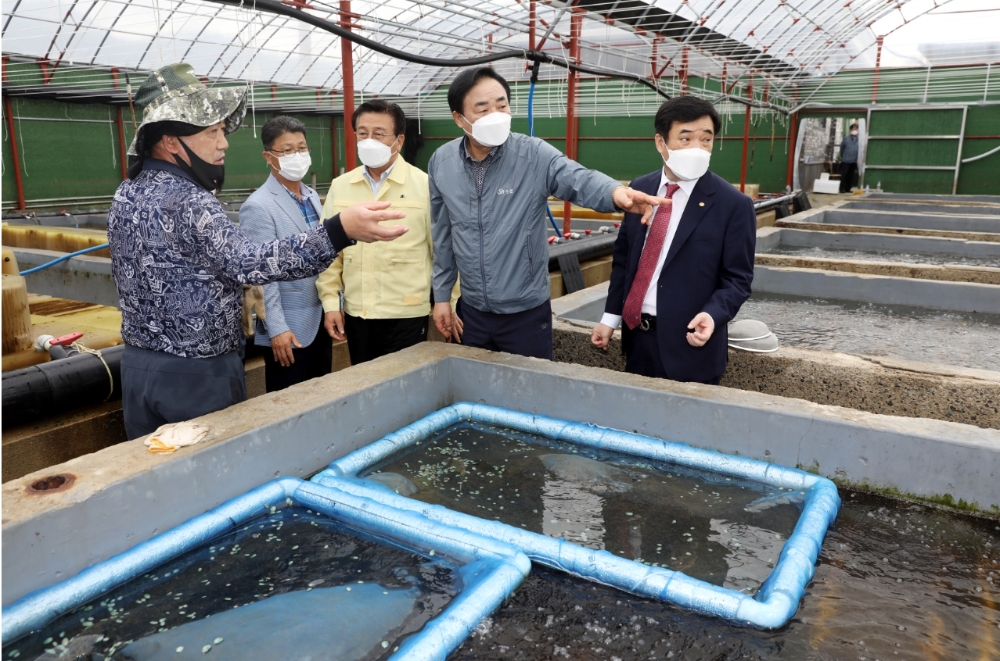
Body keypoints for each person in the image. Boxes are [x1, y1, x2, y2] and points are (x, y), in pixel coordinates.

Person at [108, 63, 408, 439]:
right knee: (213, 478)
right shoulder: (190, 200)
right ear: (171, 141)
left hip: (138, 369)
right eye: (213, 131)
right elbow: (247, 262)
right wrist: (337, 231)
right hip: (195, 375)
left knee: (154, 475)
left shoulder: (127, 192)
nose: (224, 143)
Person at [429, 67, 666, 359]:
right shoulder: (442, 162)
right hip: (473, 312)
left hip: (526, 313)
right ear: (459, 118)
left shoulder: (533, 154)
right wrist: (441, 297)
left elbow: (578, 177)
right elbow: (443, 234)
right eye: (483, 108)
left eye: (502, 106)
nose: (496, 115)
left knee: (530, 394)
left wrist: (617, 194)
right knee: (477, 393)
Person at [591, 96, 756, 385]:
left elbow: (738, 279)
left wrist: (713, 314)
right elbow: (624, 260)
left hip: (691, 344)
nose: (697, 148)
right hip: (638, 339)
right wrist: (610, 319)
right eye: (686, 138)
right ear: (661, 143)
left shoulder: (733, 204)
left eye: (706, 140)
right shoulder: (641, 189)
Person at [316, 100, 456, 365]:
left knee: (406, 388)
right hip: (359, 314)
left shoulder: (424, 185)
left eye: (379, 133)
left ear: (399, 140)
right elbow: (329, 252)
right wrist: (331, 303)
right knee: (367, 387)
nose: (369, 140)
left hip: (407, 313)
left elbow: (444, 251)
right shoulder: (341, 186)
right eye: (362, 133)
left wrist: (447, 301)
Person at [240, 116, 330, 392]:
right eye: (287, 150)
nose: (297, 155)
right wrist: (277, 328)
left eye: (302, 148)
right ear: (269, 156)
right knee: (289, 403)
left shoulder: (313, 196)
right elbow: (262, 275)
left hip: (321, 319)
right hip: (288, 328)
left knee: (322, 396)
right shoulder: (259, 206)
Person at [839, 122, 860, 193]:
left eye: (856, 129)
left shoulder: (859, 139)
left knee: (851, 176)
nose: (855, 130)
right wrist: (843, 156)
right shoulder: (846, 139)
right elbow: (842, 148)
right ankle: (842, 189)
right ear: (850, 130)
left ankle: (848, 188)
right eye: (853, 129)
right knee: (844, 175)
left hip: (854, 161)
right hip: (846, 160)